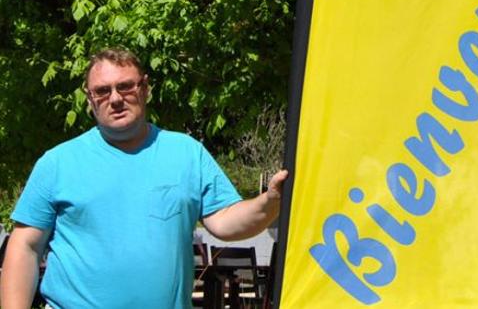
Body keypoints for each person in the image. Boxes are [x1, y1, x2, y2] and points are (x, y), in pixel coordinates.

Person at [0, 48, 289, 309]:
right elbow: (25, 246)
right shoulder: (57, 163)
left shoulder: (186, 153)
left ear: (145, 88)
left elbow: (225, 221)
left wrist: (270, 202)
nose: (115, 99)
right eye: (102, 91)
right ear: (90, 99)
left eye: (125, 86)